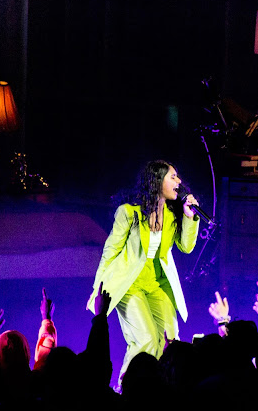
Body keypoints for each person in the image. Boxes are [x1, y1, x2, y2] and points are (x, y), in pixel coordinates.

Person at [86, 159, 201, 391]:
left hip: (158, 283)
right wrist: (98, 288)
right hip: (130, 283)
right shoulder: (129, 213)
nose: (179, 182)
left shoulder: (171, 215)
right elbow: (110, 251)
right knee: (146, 339)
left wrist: (189, 217)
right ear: (157, 181)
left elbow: (186, 247)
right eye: (173, 177)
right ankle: (124, 388)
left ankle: (158, 389)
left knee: (170, 339)